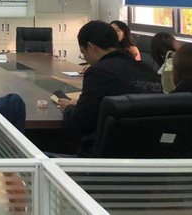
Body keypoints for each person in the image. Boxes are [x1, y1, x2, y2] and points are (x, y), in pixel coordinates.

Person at [57, 20, 162, 156]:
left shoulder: (98, 72)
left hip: (101, 160)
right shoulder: (149, 71)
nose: (85, 58)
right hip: (146, 157)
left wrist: (69, 108)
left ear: (90, 47)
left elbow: (79, 122)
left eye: (83, 52)